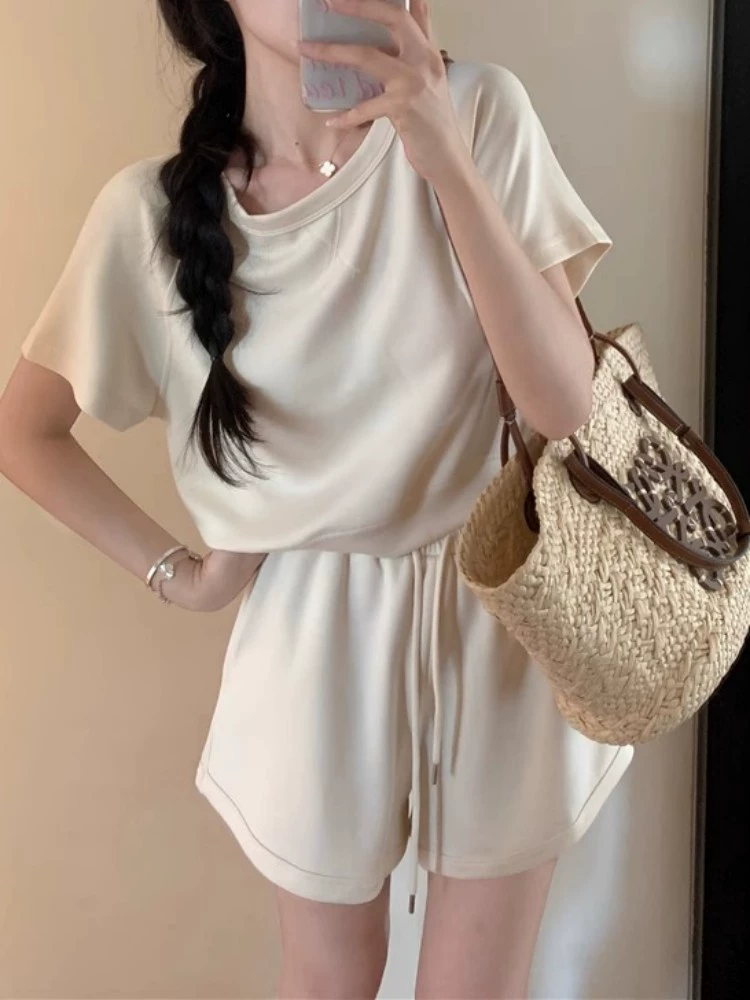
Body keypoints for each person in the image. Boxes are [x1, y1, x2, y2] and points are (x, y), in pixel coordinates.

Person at [0, 1, 634, 996]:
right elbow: (25, 430)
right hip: (312, 636)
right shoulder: (151, 216)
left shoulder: (479, 112)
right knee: (329, 980)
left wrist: (443, 158)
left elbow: (565, 408)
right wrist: (185, 576)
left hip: (503, 605)